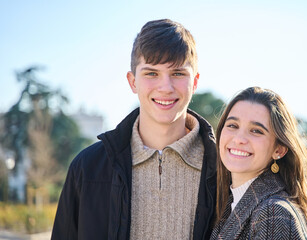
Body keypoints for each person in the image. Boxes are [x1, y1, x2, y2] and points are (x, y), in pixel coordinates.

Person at [51, 19, 217, 240]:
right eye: (151, 73)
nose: (165, 87)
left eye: (178, 73)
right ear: (132, 82)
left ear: (194, 82)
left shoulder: (223, 170)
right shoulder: (86, 168)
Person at [210, 87, 307, 240]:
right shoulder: (228, 204)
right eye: (233, 125)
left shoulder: (274, 213)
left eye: (256, 131)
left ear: (279, 150)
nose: (239, 139)